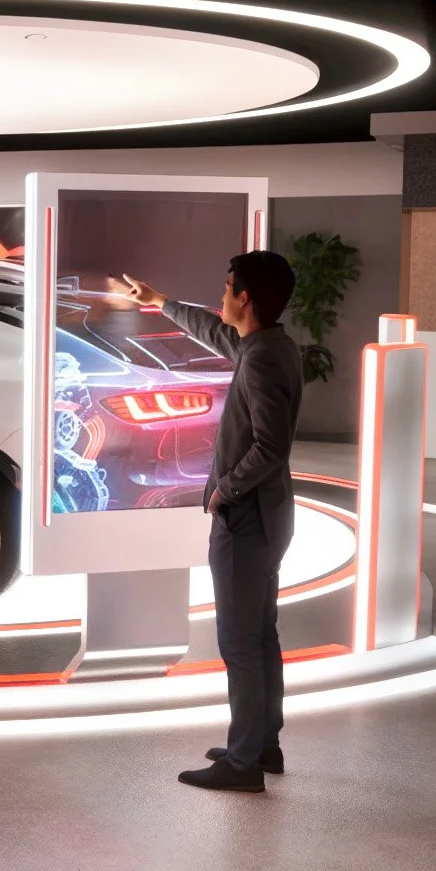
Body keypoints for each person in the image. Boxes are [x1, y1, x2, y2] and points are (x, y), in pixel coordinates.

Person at [109, 251, 302, 793]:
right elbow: (214, 332)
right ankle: (262, 743)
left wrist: (224, 491)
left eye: (225, 289)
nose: (220, 298)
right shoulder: (271, 346)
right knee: (260, 635)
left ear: (245, 297)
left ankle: (242, 762)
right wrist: (160, 302)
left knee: (240, 643)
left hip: (247, 516)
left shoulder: (261, 358)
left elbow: (270, 445)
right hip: (270, 515)